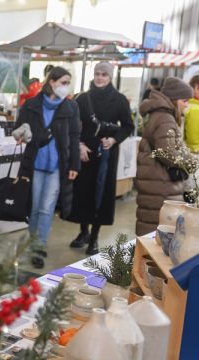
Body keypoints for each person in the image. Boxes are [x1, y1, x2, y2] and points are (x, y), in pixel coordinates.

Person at [13, 66, 80, 269]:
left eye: (68, 83)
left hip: (58, 165)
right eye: (63, 83)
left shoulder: (71, 108)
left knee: (47, 207)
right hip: (34, 162)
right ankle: (32, 242)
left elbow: (75, 136)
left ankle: (39, 246)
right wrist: (21, 134)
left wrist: (74, 164)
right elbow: (19, 127)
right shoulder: (32, 105)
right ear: (52, 82)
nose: (66, 87)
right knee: (33, 206)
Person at [67, 62, 134, 255]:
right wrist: (78, 144)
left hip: (107, 152)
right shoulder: (82, 98)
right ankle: (83, 232)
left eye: (104, 74)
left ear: (110, 77)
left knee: (101, 193)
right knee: (83, 192)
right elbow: (74, 124)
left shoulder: (120, 100)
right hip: (85, 151)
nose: (100, 77)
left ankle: (95, 236)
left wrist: (114, 140)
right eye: (97, 73)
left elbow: (128, 126)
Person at [135, 77, 194, 235]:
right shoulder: (165, 118)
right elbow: (166, 152)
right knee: (157, 227)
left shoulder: (159, 115)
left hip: (155, 179)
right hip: (160, 181)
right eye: (184, 100)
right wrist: (191, 160)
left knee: (151, 221)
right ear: (174, 100)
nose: (186, 105)